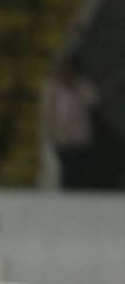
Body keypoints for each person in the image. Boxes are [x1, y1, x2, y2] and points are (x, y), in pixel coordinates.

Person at [42, 57, 99, 190]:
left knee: (79, 170)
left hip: (80, 138)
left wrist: (76, 87)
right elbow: (49, 111)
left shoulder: (82, 85)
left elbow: (93, 100)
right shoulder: (54, 88)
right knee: (65, 171)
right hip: (62, 138)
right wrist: (50, 132)